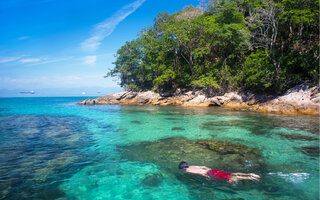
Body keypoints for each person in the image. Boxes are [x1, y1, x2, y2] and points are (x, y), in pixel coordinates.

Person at [178, 161, 260, 183]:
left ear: (183, 168)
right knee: (231, 174)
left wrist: (208, 177)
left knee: (230, 179)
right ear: (186, 164)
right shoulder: (192, 165)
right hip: (212, 170)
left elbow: (200, 173)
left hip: (210, 173)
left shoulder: (189, 170)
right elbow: (204, 167)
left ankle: (250, 178)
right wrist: (209, 170)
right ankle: (250, 174)